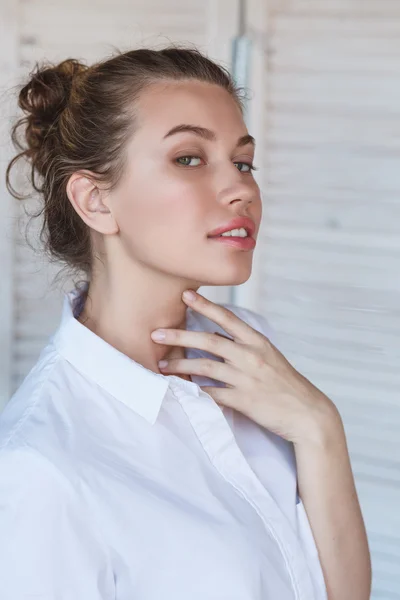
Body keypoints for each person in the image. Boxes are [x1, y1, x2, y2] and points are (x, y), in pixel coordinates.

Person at [0, 46, 371, 599]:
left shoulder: (251, 353)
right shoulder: (41, 469)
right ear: (97, 200)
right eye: (189, 158)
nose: (242, 189)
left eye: (243, 162)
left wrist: (319, 428)